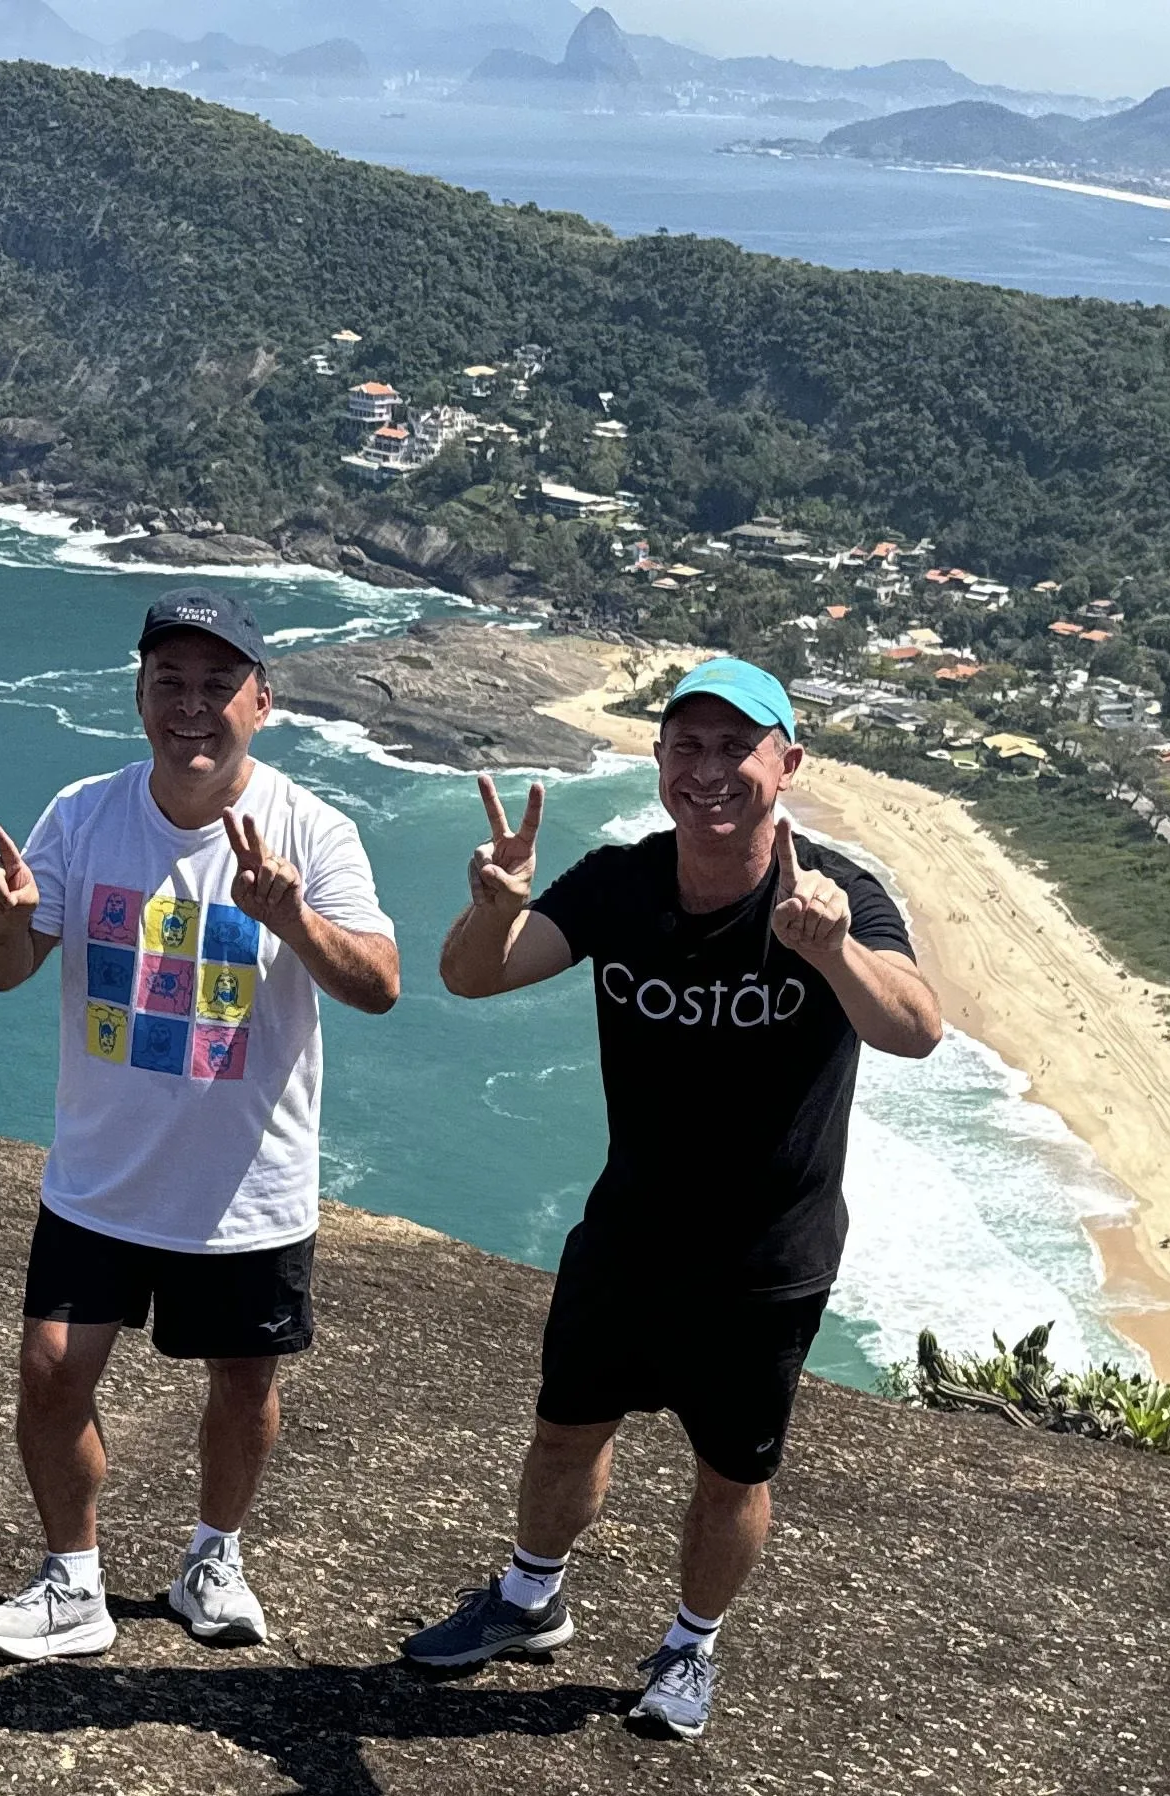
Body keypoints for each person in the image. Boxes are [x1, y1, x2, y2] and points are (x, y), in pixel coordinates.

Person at [403, 657, 942, 1740]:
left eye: (735, 747)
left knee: (729, 1471)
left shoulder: (834, 892)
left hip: (765, 1259)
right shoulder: (619, 884)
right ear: (657, 761)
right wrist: (491, 909)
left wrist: (831, 949)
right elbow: (475, 974)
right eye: (685, 747)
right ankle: (527, 1595)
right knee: (563, 1432)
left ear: (786, 763)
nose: (708, 770)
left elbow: (914, 1026)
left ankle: (690, 1642)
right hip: (628, 1236)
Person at [0, 586, 400, 1661]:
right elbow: (2, 971)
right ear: (139, 693)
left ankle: (215, 1553)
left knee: (244, 1384)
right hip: (100, 1177)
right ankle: (73, 1581)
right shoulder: (82, 812)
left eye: (217, 685)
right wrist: (0, 919)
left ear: (263, 699)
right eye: (169, 683)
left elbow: (379, 982)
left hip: (246, 1188)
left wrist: (289, 913)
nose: (190, 707)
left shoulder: (313, 828)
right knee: (51, 1370)